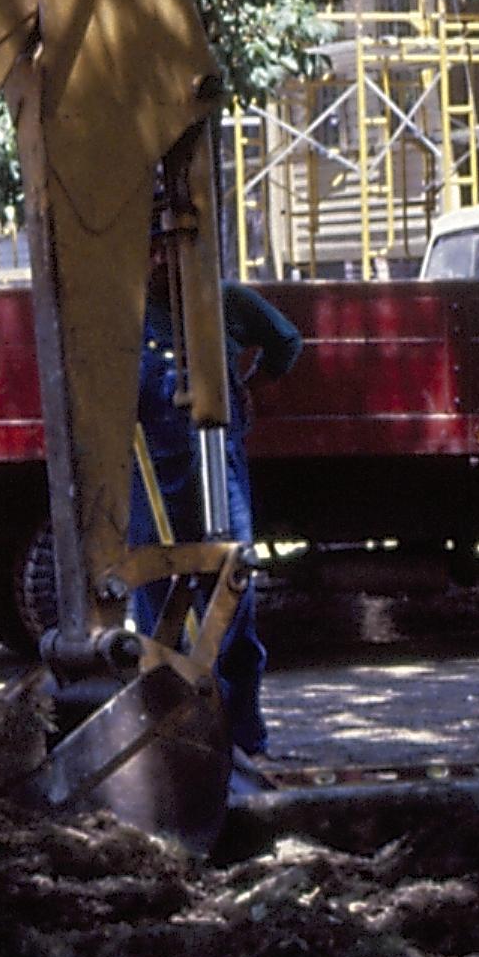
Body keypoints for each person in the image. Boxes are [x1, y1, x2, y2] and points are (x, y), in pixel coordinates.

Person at [129, 254, 302, 789]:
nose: (159, 260)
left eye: (169, 249)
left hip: (215, 469)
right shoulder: (123, 312)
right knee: (156, 614)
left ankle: (244, 740)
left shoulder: (224, 300)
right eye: (150, 248)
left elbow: (286, 343)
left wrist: (250, 381)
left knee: (233, 605)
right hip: (148, 475)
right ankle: (171, 744)